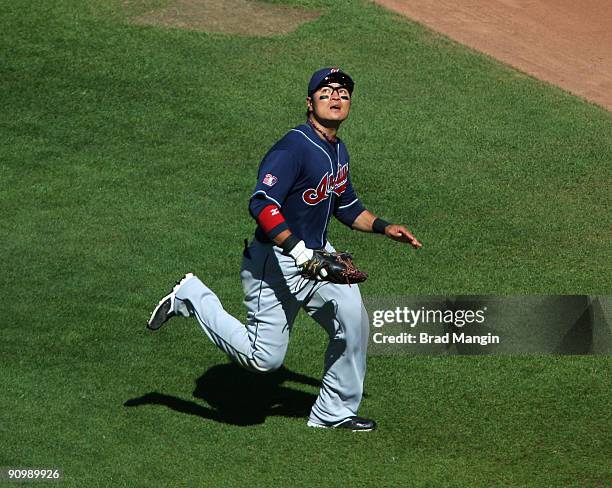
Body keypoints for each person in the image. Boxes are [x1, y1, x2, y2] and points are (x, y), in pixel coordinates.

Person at [147, 67, 422, 431]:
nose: (336, 97)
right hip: (274, 261)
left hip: (317, 255)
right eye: (326, 92)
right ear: (309, 103)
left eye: (343, 92)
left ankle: (333, 413)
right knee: (264, 361)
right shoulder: (292, 148)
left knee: (354, 321)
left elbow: (346, 206)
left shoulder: (337, 150)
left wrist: (386, 228)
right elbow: (262, 204)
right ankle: (192, 296)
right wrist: (298, 252)